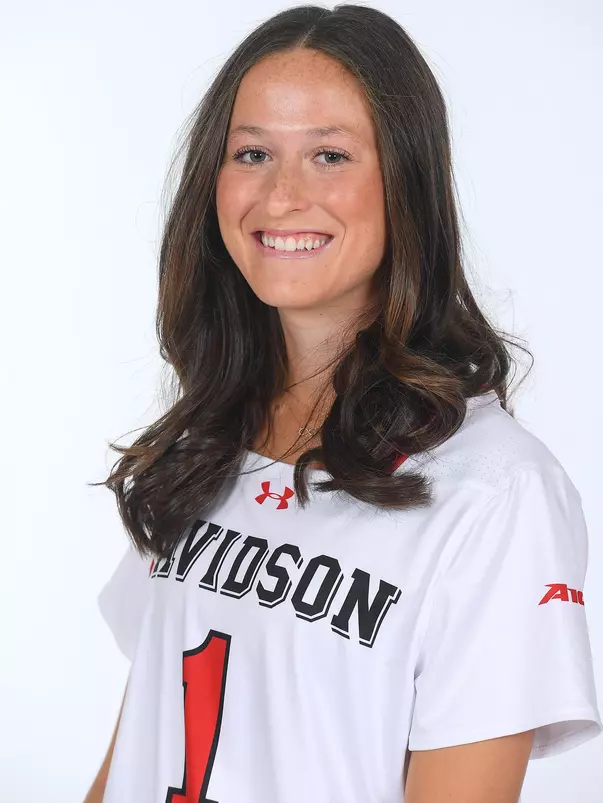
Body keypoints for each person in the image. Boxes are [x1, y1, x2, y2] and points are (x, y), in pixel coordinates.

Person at [84, 5, 602, 802]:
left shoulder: (495, 489)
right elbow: (141, 743)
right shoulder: (204, 441)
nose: (281, 195)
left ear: (407, 183)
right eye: (251, 152)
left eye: (329, 155)